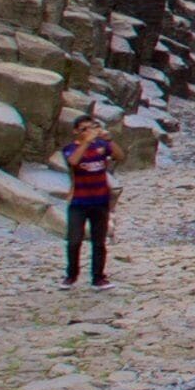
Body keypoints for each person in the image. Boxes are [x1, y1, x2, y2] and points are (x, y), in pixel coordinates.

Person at [59, 116, 118, 287]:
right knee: (74, 240)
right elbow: (73, 162)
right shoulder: (70, 148)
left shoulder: (101, 146)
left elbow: (119, 155)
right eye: (83, 129)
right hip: (79, 201)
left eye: (91, 128)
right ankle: (71, 274)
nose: (88, 132)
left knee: (99, 241)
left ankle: (98, 277)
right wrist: (86, 142)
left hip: (100, 200)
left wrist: (110, 140)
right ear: (75, 131)